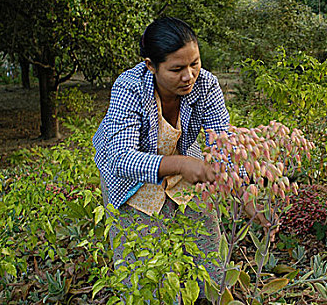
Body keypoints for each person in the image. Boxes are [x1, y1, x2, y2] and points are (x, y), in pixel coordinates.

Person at [93, 17, 232, 302]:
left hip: (179, 156)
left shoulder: (206, 85)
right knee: (144, 265)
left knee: (206, 244)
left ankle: (212, 297)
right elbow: (122, 159)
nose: (189, 76)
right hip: (129, 174)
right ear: (151, 66)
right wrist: (181, 164)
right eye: (177, 69)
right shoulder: (129, 87)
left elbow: (223, 144)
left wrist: (246, 194)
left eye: (194, 63)